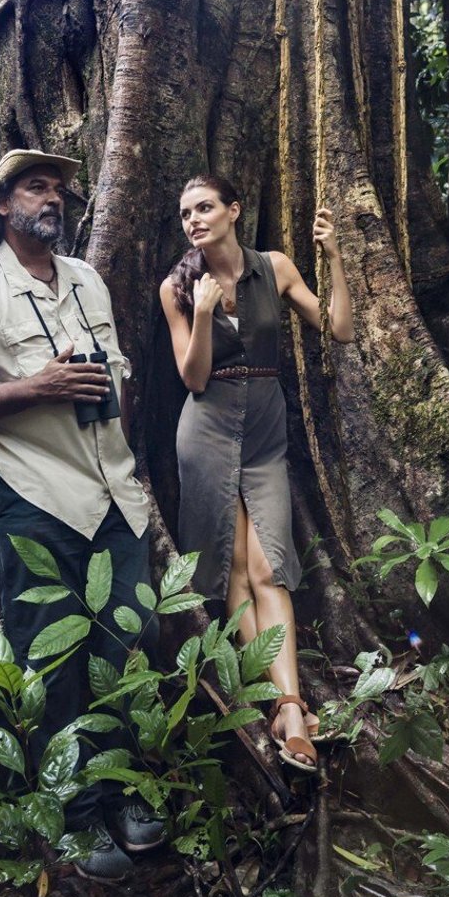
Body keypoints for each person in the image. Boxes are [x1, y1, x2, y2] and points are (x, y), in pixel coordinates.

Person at [0, 149, 164, 881]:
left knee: (129, 638)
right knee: (52, 661)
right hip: (29, 492)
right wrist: (36, 386)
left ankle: (121, 793)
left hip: (113, 489)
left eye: (58, 188)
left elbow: (116, 376)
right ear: (2, 204)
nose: (51, 198)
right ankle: (75, 816)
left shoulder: (89, 282)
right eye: (36, 186)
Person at [159, 176, 353, 772]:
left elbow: (338, 328)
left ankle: (285, 703)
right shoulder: (177, 285)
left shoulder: (273, 267)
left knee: (271, 564)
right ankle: (284, 708)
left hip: (267, 430)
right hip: (207, 427)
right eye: (186, 212)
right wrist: (203, 311)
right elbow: (191, 379)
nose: (194, 219)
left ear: (234, 210)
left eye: (205, 207)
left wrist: (335, 259)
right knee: (233, 568)